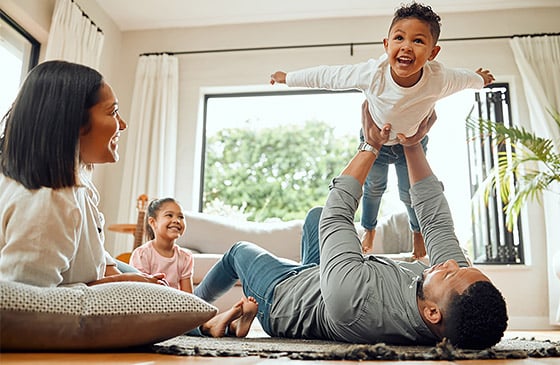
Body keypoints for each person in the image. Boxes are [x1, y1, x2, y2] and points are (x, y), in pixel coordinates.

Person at [193, 101, 508, 349]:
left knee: (238, 252)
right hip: (322, 280)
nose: (450, 263)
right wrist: (413, 146)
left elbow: (338, 214)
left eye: (450, 271)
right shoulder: (446, 302)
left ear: (432, 313)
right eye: (458, 265)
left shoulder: (355, 303)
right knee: (314, 216)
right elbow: (436, 222)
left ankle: (194, 316)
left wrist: (371, 145)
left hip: (283, 299)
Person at [0, 60, 254, 338]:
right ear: (73, 121)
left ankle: (207, 322)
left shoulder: (77, 182)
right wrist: (117, 284)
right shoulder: (47, 200)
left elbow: (93, 253)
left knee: (158, 287)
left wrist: (119, 275)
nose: (123, 124)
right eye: (113, 112)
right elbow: (26, 305)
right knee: (168, 296)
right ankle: (207, 323)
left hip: (104, 268)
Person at [270, 2, 495, 259]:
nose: (407, 46)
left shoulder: (439, 78)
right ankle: (369, 228)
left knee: (409, 193)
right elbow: (327, 76)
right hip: (375, 140)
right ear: (386, 45)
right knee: (373, 188)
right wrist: (287, 77)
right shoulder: (372, 74)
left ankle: (417, 233)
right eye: (399, 37)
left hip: (411, 143)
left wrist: (480, 80)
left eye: (418, 41)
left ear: (433, 53)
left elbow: (465, 79)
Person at [130, 197, 195, 292]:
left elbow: (188, 297)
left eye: (180, 217)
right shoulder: (142, 254)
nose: (176, 220)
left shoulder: (185, 257)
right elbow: (140, 292)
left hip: (175, 304)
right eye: (169, 215)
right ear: (153, 222)